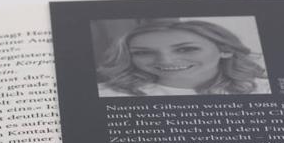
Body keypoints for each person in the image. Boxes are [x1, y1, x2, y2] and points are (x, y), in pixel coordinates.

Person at [96, 19, 269, 96]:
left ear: (226, 50)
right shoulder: (107, 94)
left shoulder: (265, 89)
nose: (165, 61)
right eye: (143, 52)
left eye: (186, 49)